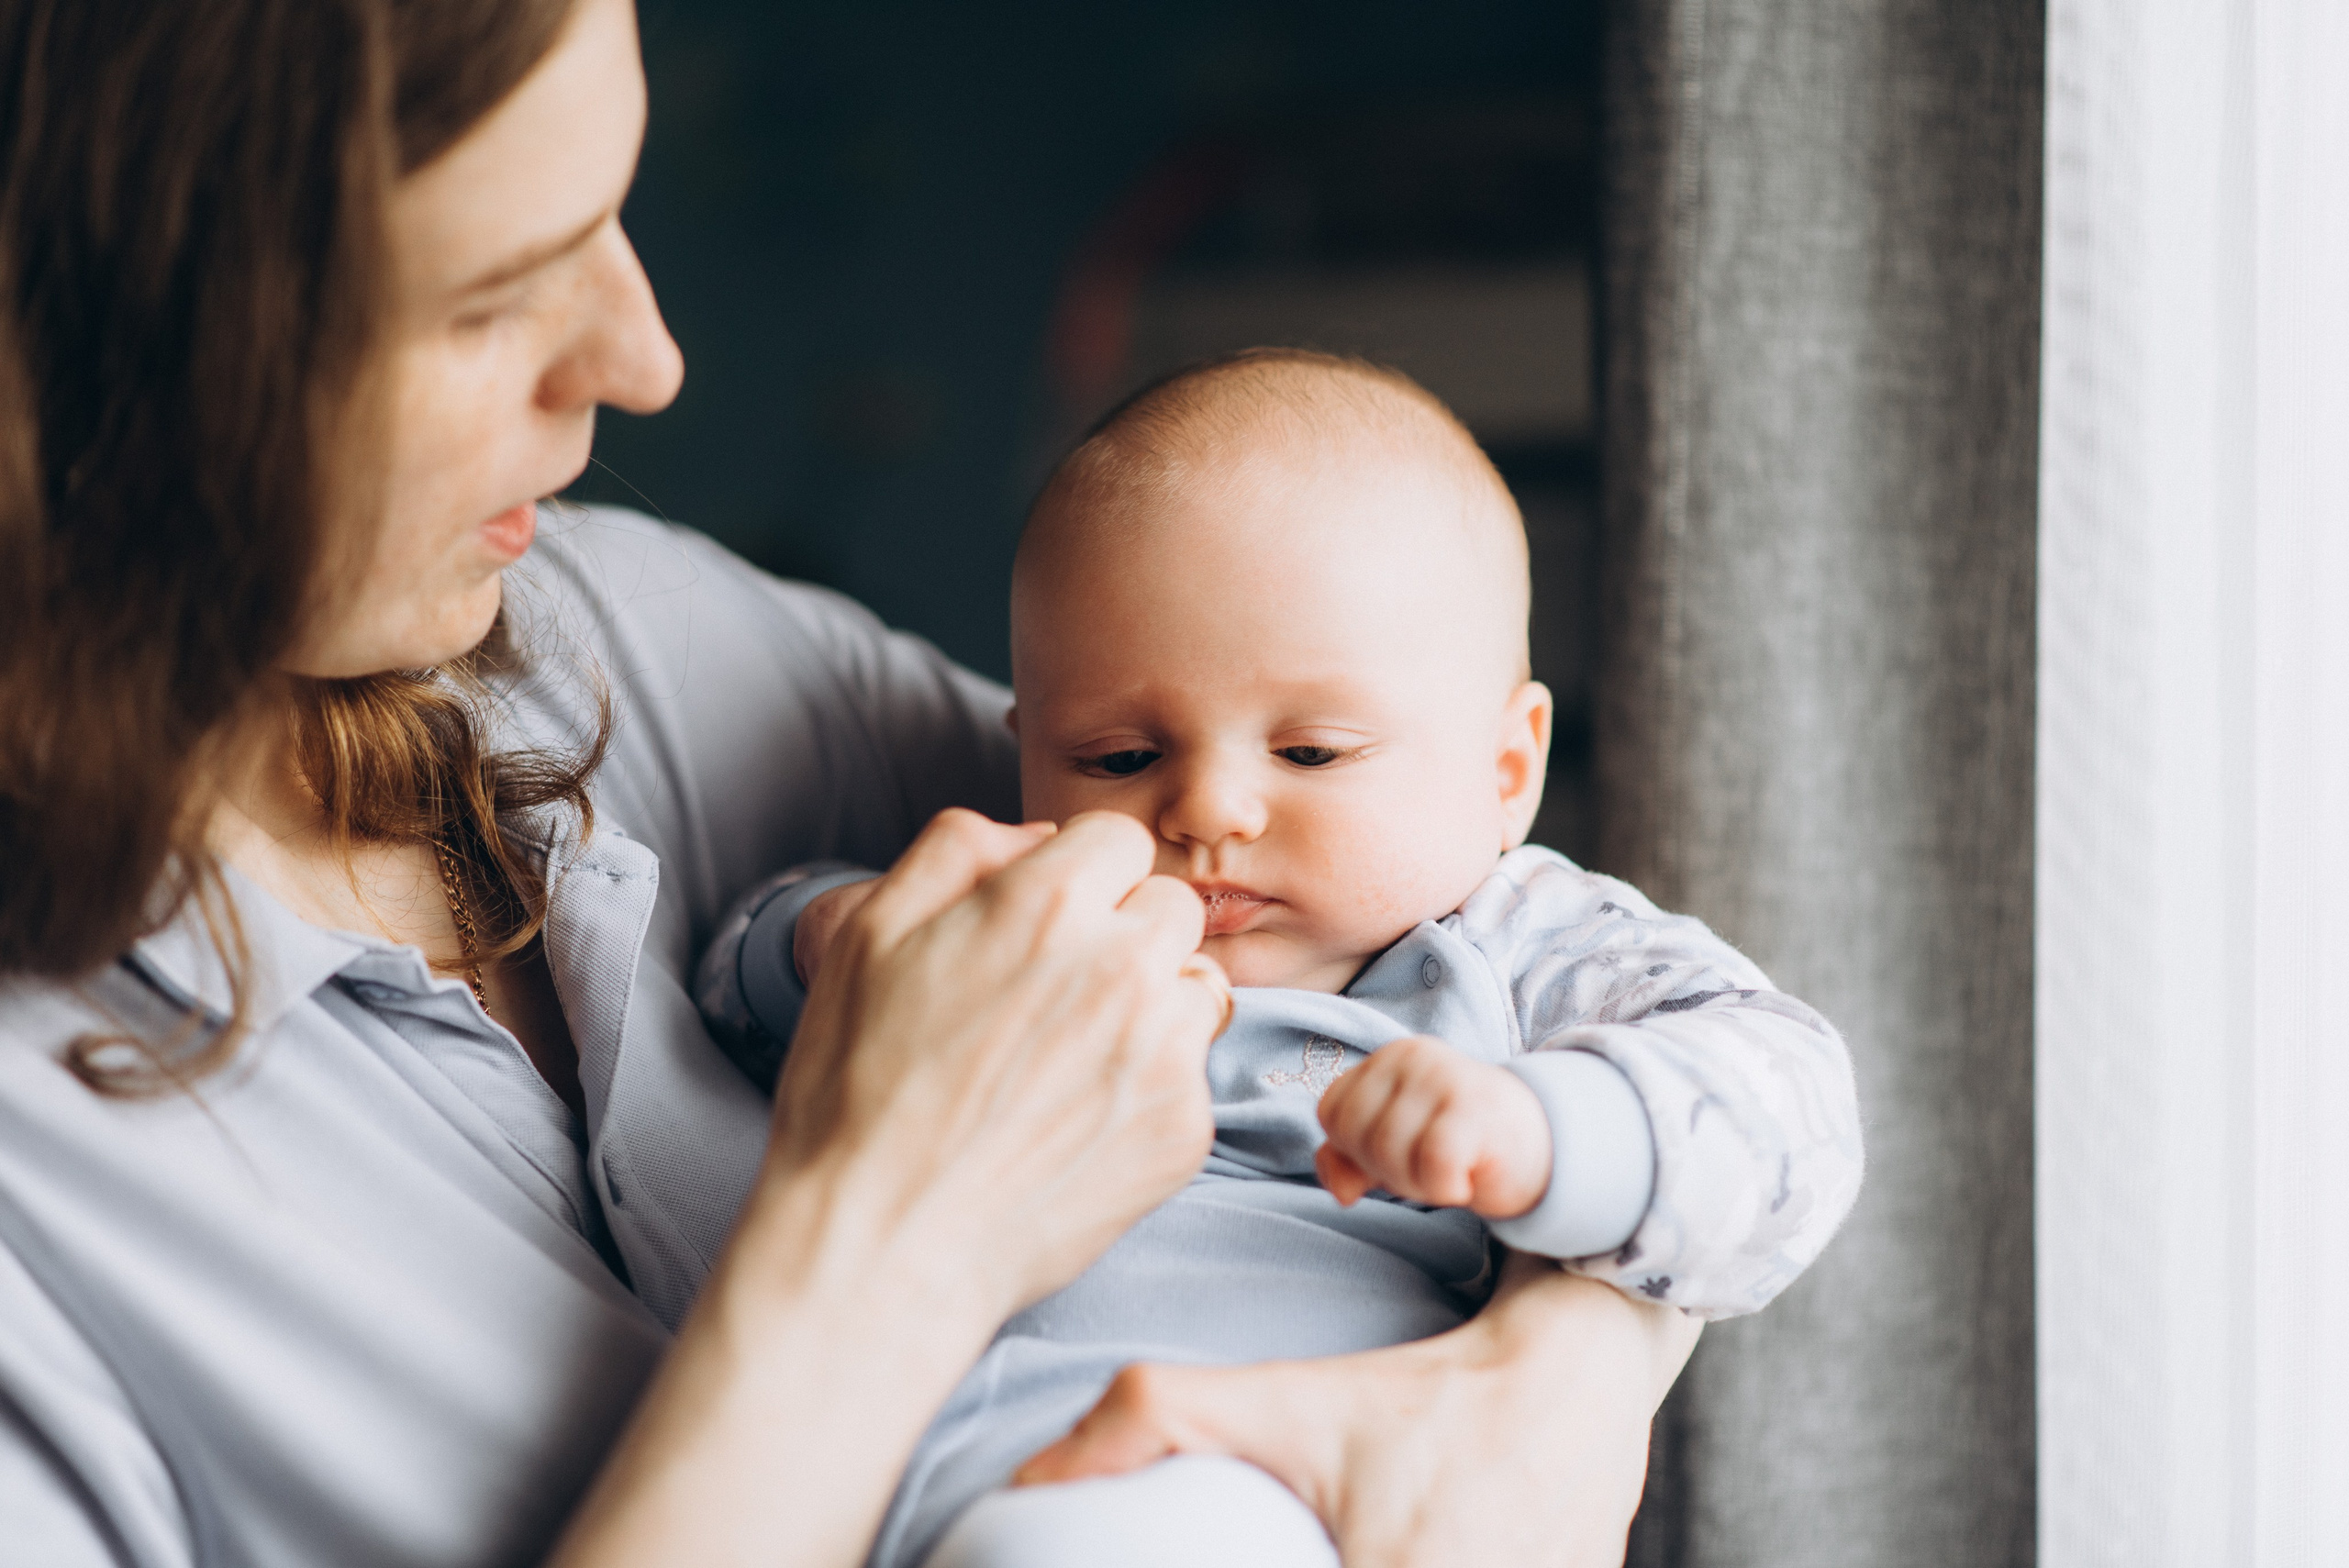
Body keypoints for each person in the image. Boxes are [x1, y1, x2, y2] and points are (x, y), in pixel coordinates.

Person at [0, 2, 1704, 1565]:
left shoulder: (588, 635)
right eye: (486, 292)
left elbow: (1474, 926)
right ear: (94, 337)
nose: (647, 358)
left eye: (612, 212)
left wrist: (1542, 1383)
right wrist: (895, 1239)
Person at [703, 351, 1863, 1568]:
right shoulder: (1037, 918)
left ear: (1507, 768)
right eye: (1115, 756)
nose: (1206, 808)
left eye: (1310, 753)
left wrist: (1549, 1127)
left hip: (1291, 1489)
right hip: (936, 1470)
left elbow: (1793, 1118)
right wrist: (831, 940)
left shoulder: (1520, 941)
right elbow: (734, 979)